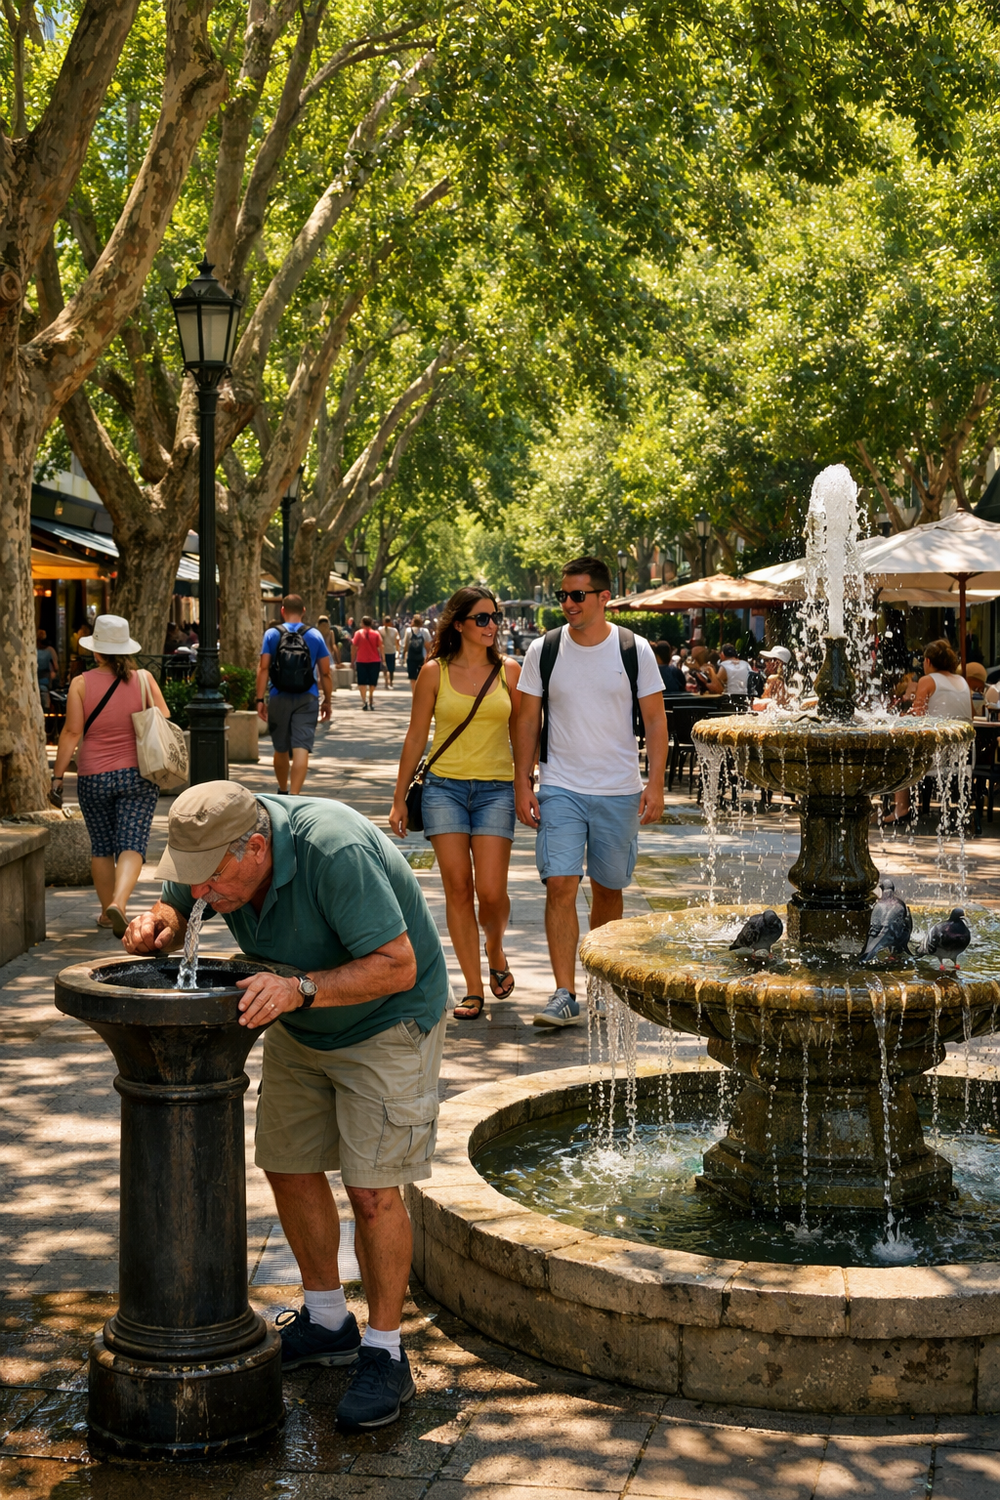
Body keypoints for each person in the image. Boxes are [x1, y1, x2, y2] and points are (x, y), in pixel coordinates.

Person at [121, 781, 449, 1432]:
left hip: (386, 1021)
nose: (203, 890)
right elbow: (178, 902)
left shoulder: (335, 850)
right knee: (288, 1162)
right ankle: (328, 1323)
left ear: (256, 848)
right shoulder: (213, 852)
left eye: (213, 879)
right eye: (193, 875)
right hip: (299, 1016)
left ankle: (386, 1353)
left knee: (372, 1190)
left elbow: (397, 965)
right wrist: (160, 924)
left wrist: (299, 987)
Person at [513, 556, 668, 1025]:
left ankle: (602, 986)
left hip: (619, 789)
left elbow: (655, 720)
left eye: (577, 595)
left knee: (608, 888)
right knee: (560, 883)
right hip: (561, 784)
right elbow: (527, 720)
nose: (568, 603)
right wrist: (523, 782)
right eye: (563, 595)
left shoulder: (634, 649)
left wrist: (655, 783)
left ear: (604, 598)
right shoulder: (544, 649)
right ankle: (564, 993)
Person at [389, 587, 521, 1019]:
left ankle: (495, 947)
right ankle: (472, 987)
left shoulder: (510, 671)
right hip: (443, 788)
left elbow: (523, 735)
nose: (491, 625)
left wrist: (526, 784)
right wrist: (399, 798)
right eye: (482, 618)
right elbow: (415, 736)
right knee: (458, 888)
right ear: (460, 624)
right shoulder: (434, 672)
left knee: (491, 892)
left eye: (495, 617)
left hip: (496, 790)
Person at [49, 614, 169, 936]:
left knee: (101, 845)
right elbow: (164, 717)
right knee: (132, 842)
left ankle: (106, 912)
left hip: (93, 776)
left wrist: (57, 776)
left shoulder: (81, 683)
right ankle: (120, 901)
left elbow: (71, 733)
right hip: (138, 774)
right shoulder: (143, 679)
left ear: (96, 650)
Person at [887, 639, 973, 826]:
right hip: (961, 755)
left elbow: (917, 718)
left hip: (936, 756)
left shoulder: (927, 680)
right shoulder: (962, 681)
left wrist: (902, 716)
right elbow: (970, 715)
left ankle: (901, 809)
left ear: (927, 661)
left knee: (899, 751)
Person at [256, 594, 332, 795]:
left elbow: (263, 668)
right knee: (301, 748)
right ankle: (295, 795)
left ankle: (282, 790)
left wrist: (259, 699)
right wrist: (327, 701)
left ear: (282, 611)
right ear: (303, 611)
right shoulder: (314, 635)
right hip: (308, 697)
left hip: (278, 696)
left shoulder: (272, 634)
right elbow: (325, 672)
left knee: (280, 748)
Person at [352, 616, 386, 710]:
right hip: (374, 660)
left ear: (362, 623)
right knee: (372, 681)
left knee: (362, 682)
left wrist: (352, 660)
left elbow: (354, 647)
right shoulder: (376, 634)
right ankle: (371, 696)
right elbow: (381, 647)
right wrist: (383, 659)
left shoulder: (358, 633)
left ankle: (364, 701)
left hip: (361, 660)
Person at [403, 615, 432, 692]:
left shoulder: (408, 631)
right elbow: (428, 646)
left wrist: (404, 654)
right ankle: (421, 692)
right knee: (422, 676)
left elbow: (406, 645)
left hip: (411, 657)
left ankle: (414, 693)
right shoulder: (425, 631)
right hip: (422, 657)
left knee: (412, 678)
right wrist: (429, 657)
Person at [36, 629, 60, 710]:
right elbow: (56, 667)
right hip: (45, 682)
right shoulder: (50, 650)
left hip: (35, 682)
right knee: (46, 707)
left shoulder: (34, 651)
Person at [381, 617, 400, 688]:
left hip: (385, 651)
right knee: (390, 668)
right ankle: (390, 681)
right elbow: (398, 640)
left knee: (386, 668)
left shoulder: (380, 629)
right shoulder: (394, 630)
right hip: (391, 651)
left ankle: (387, 681)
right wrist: (398, 650)